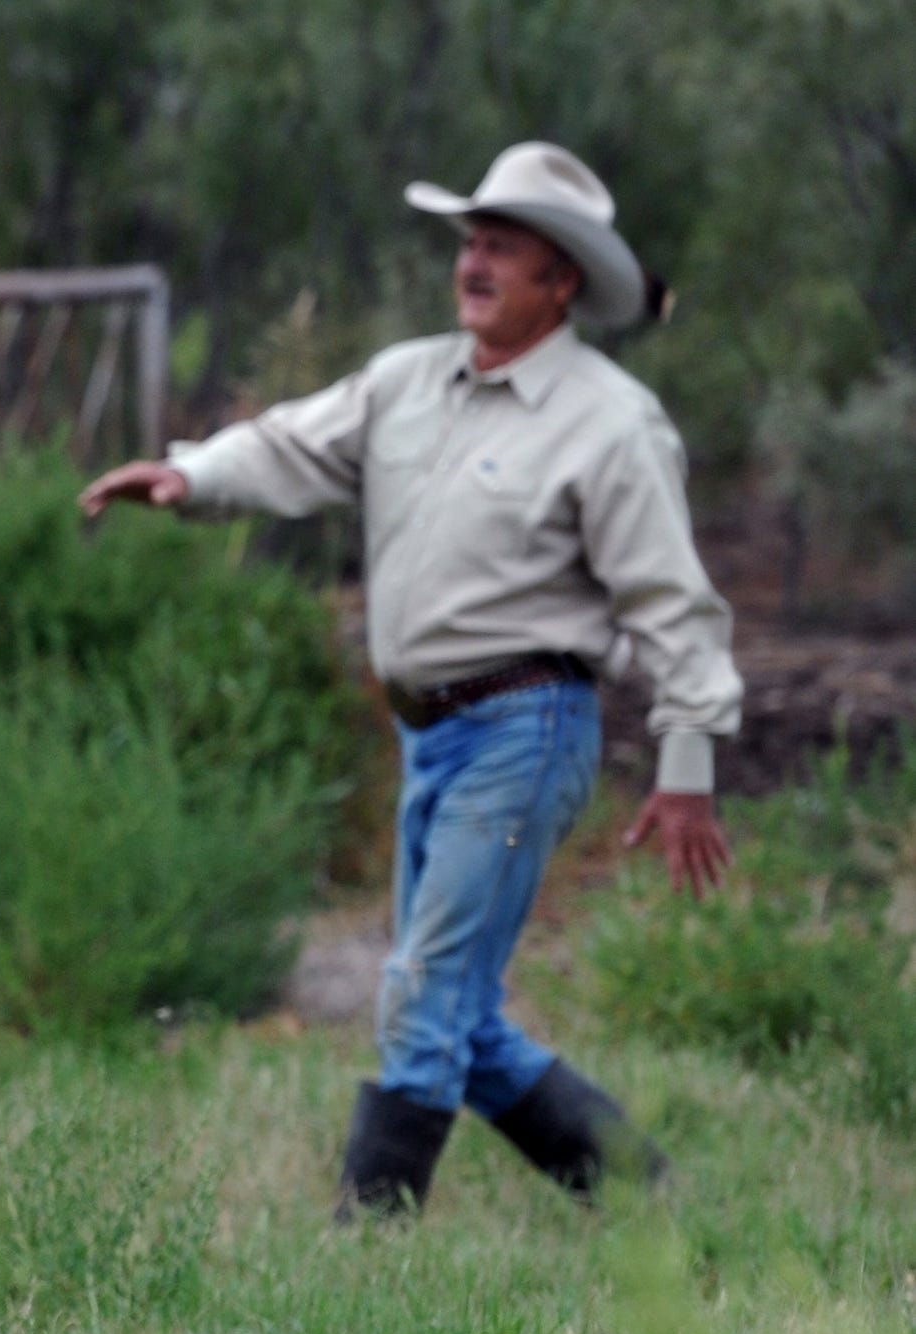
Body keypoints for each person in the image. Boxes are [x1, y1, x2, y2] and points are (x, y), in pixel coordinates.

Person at [80, 141, 742, 1217]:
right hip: (428, 734)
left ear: (561, 279)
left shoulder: (610, 421)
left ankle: (366, 1254)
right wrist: (189, 474)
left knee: (424, 994)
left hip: (529, 728)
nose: (474, 262)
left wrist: (688, 762)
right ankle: (649, 1203)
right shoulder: (407, 381)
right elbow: (293, 446)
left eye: (504, 248)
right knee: (458, 1015)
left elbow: (674, 604)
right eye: (470, 241)